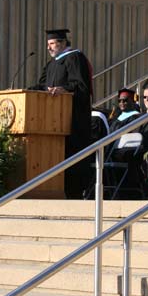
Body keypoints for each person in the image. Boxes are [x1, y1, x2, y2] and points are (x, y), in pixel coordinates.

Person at [30, 28, 93, 199]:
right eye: (48, 44)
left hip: (71, 120)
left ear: (63, 43)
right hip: (52, 122)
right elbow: (41, 86)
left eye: (52, 44)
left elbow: (81, 86)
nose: (49, 48)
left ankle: (74, 193)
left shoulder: (74, 58)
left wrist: (64, 89)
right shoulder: (51, 64)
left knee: (72, 159)